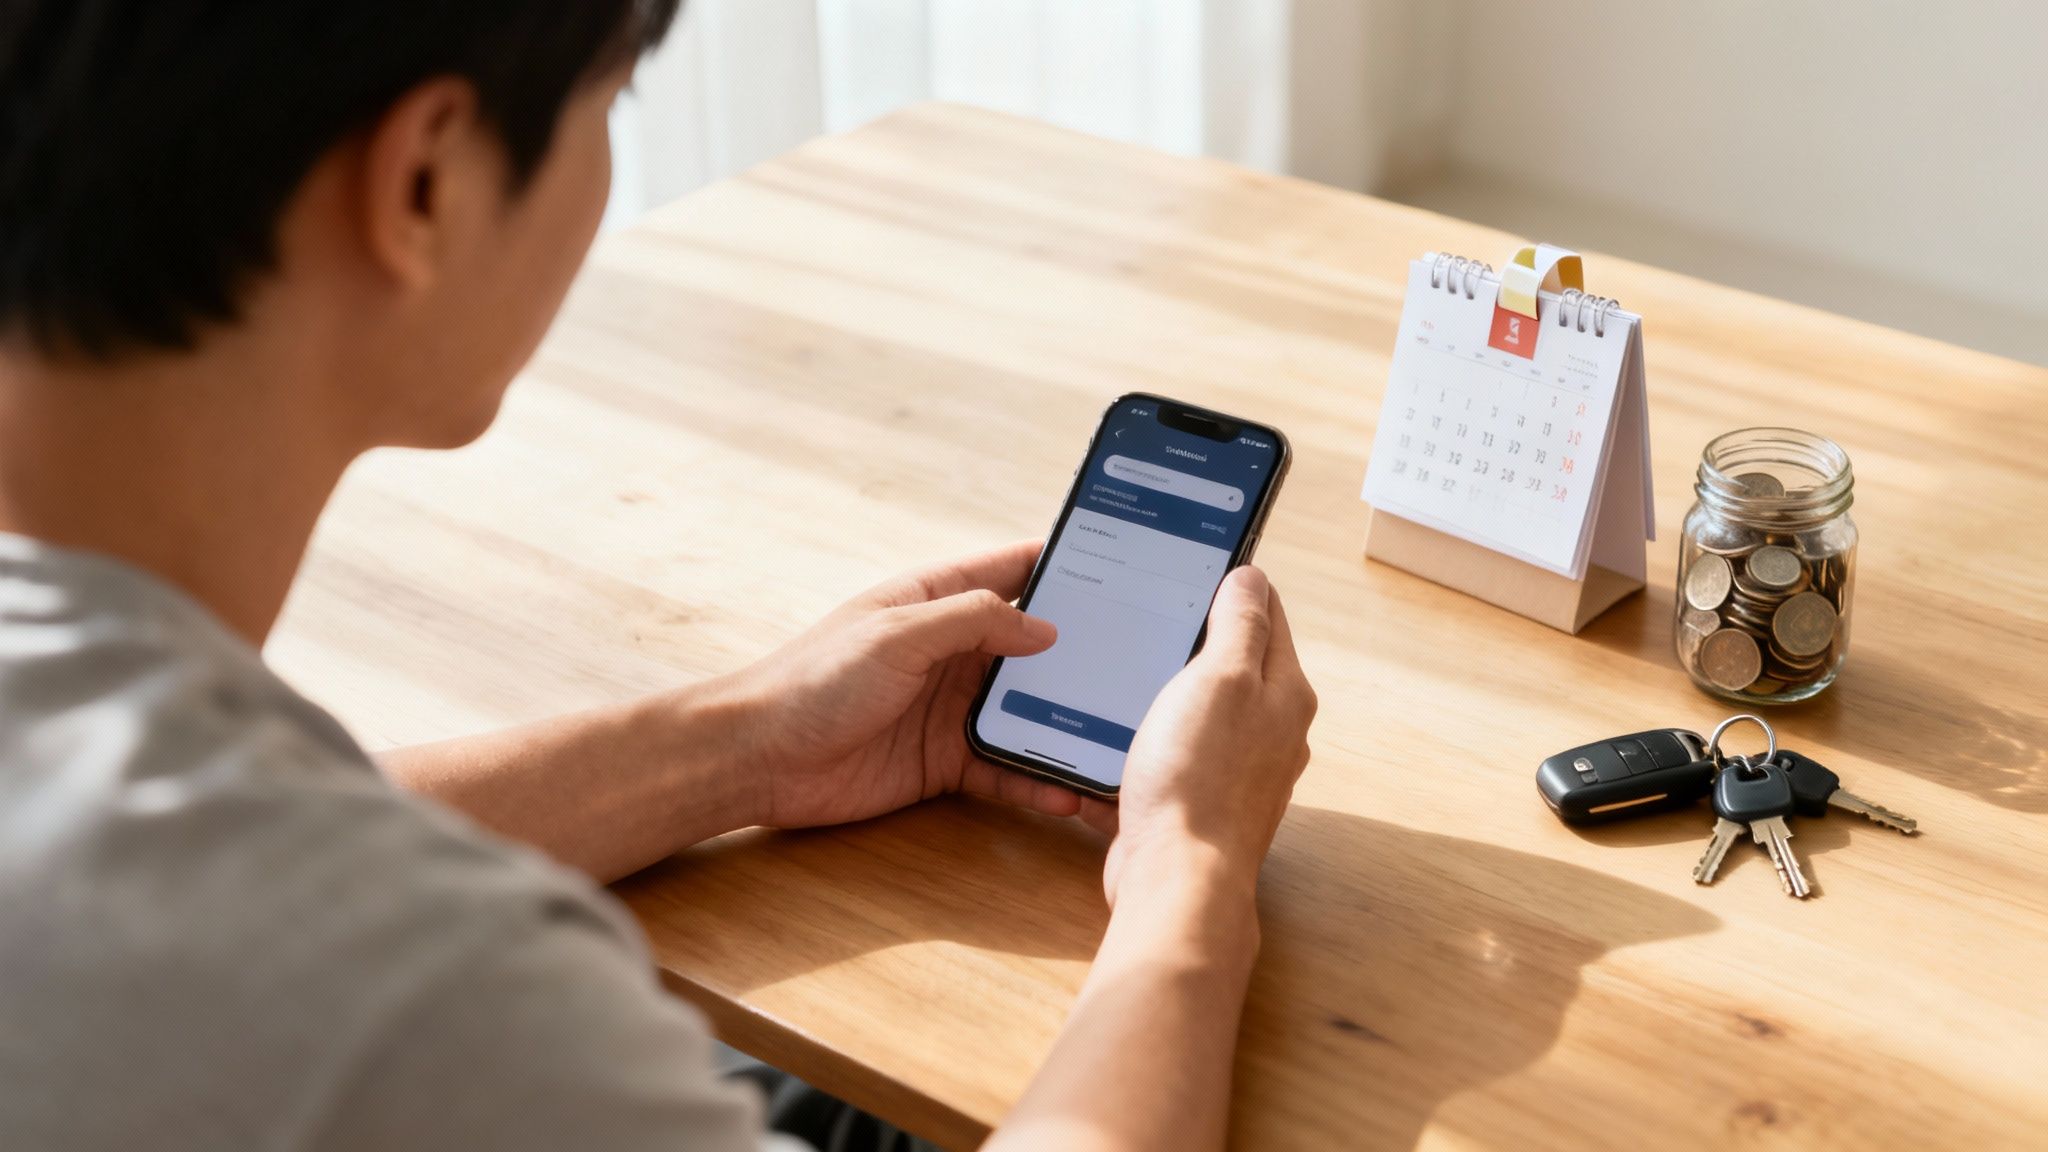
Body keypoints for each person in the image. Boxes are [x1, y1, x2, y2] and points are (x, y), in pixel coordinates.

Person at [0, 3, 1317, 1150]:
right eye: (610, 98)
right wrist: (1188, 870)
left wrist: (746, 745)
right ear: (426, 182)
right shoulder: (409, 995)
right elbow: (303, 923)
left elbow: (250, 865)